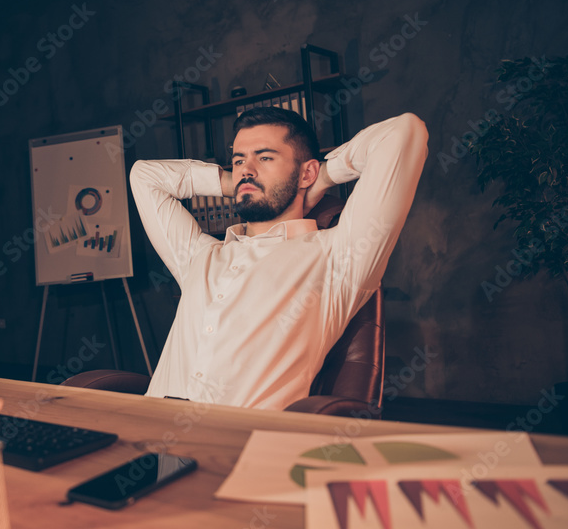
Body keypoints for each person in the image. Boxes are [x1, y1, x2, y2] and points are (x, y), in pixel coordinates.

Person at [130, 107, 428, 409]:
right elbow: (144, 176)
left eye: (265, 157)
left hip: (240, 447)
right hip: (146, 438)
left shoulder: (338, 256)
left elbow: (405, 132)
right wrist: (232, 183)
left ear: (305, 172)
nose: (247, 169)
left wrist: (323, 177)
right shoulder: (199, 255)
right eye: (238, 160)